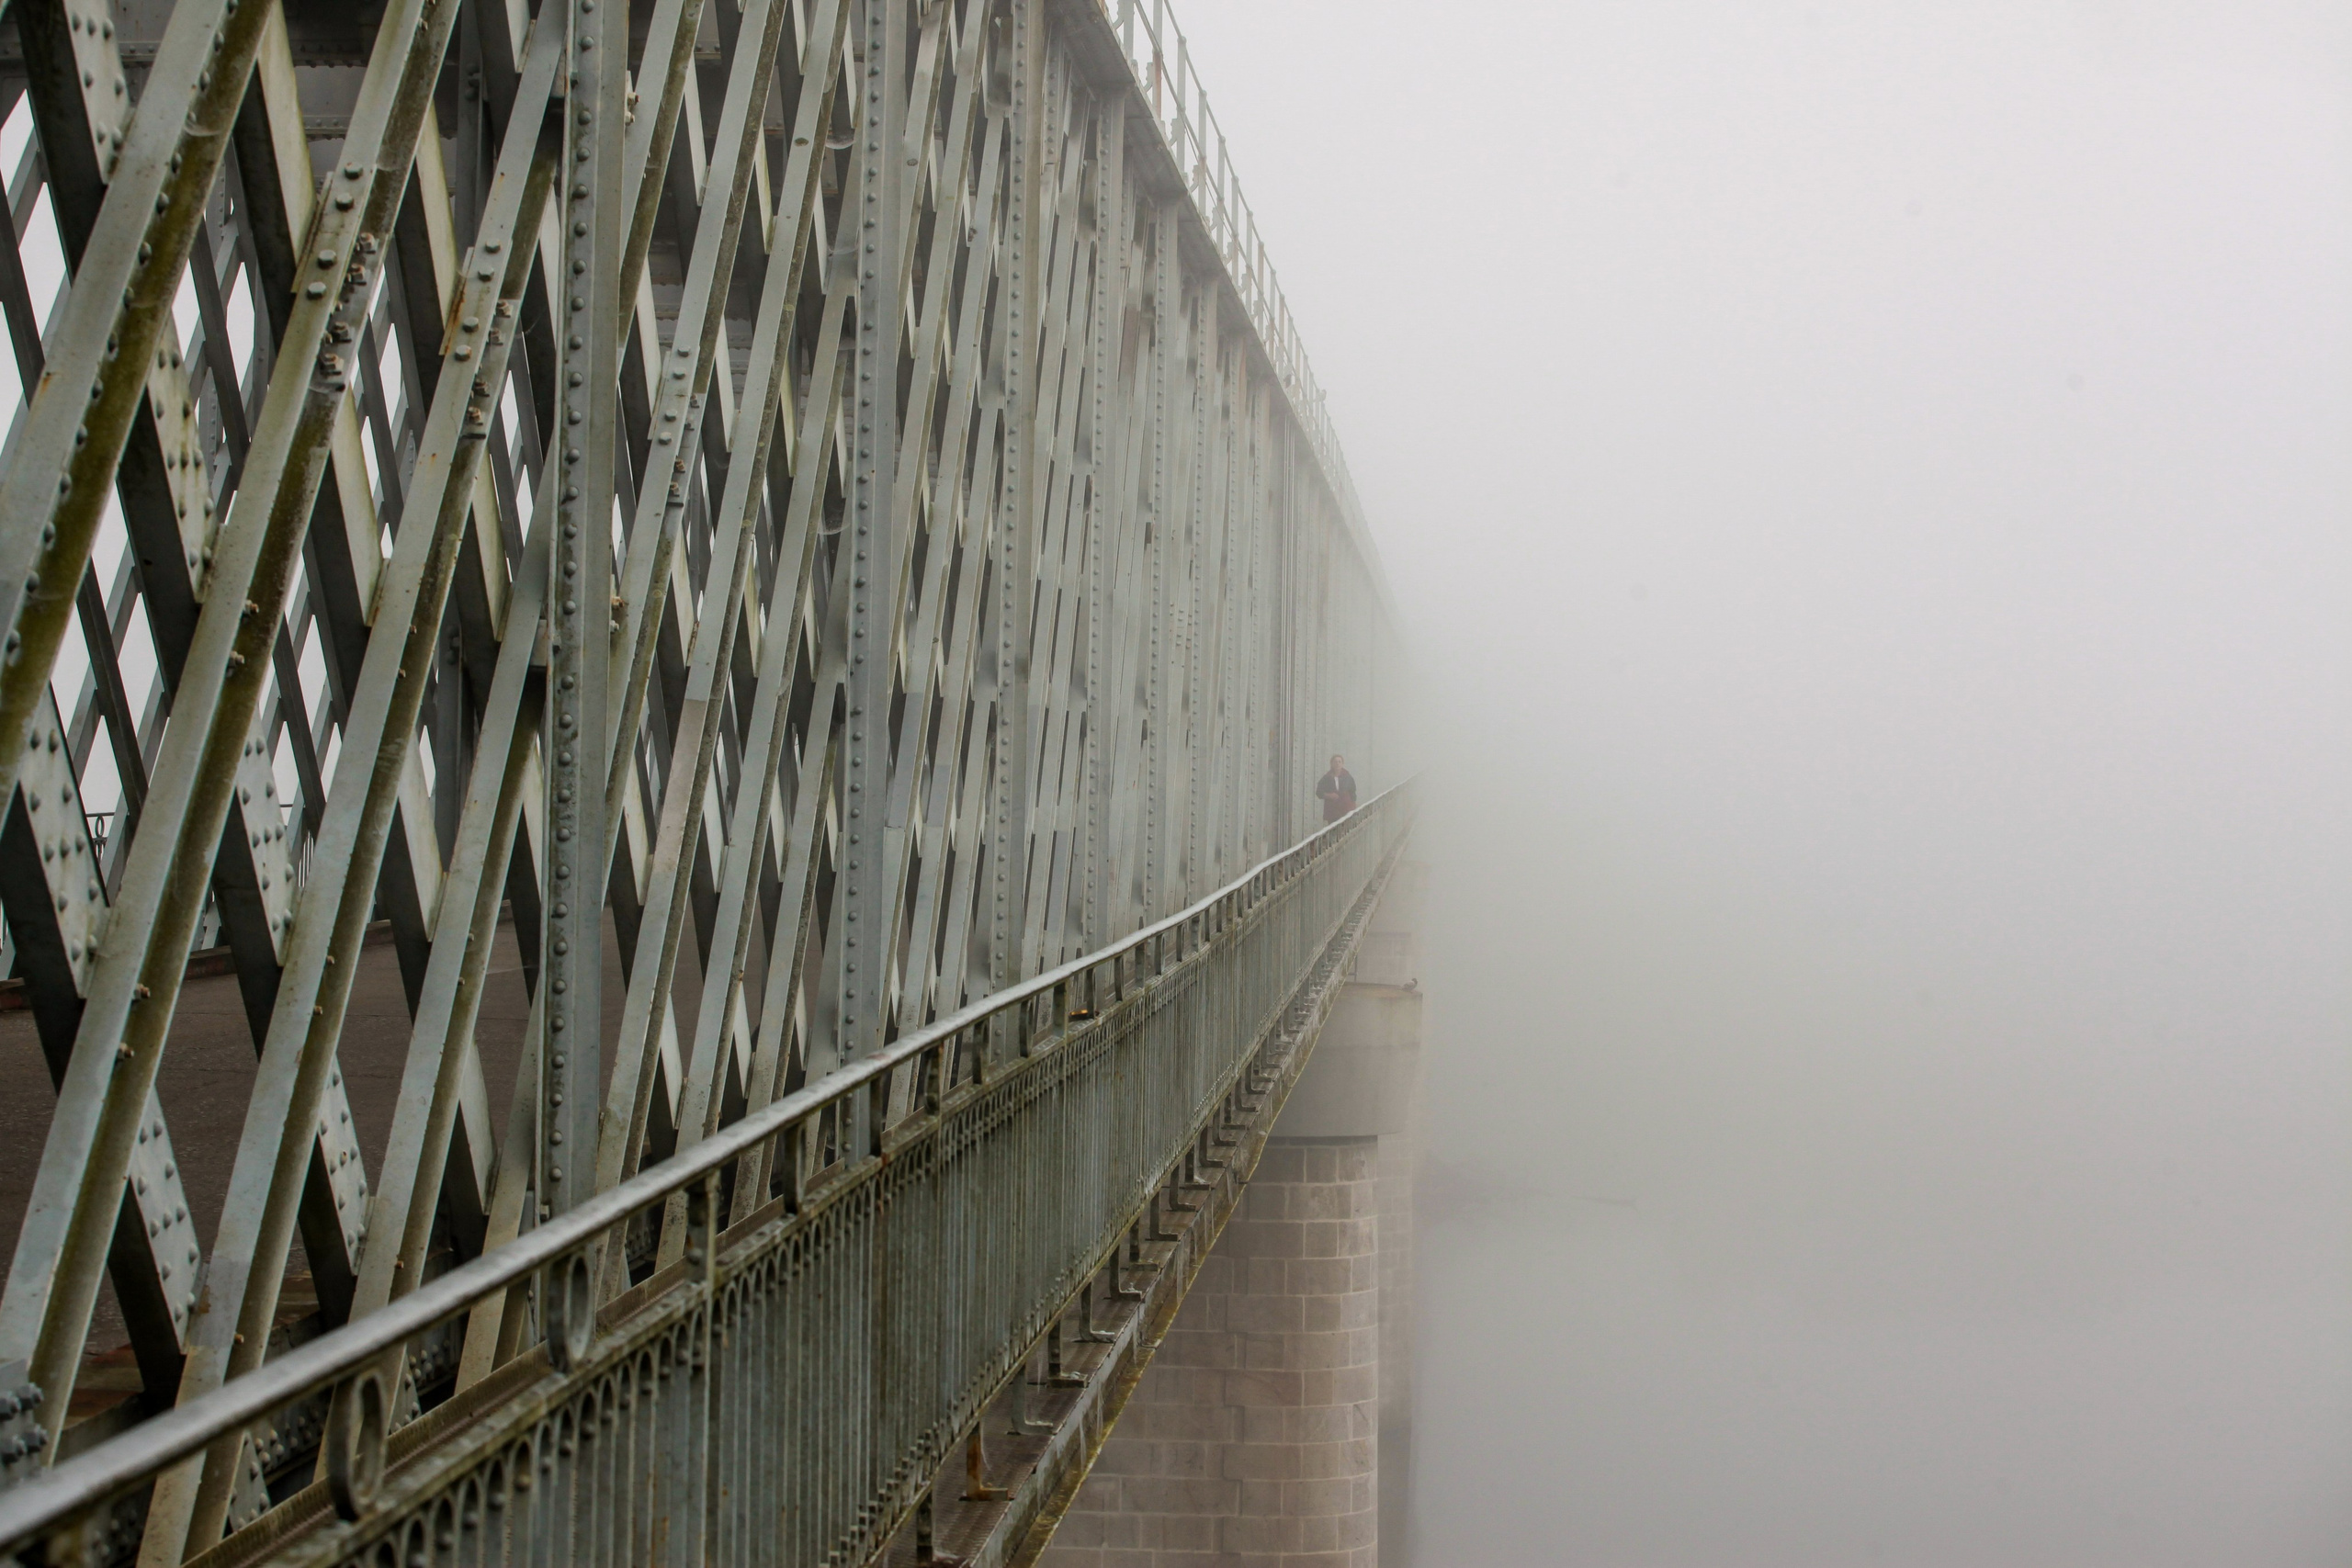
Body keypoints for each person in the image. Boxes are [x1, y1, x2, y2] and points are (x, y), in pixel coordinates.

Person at [1314, 754, 1356, 823]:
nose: (1337, 763)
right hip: (1332, 811)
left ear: (1342, 764)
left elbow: (1353, 793)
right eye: (1335, 762)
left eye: (1339, 762)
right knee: (1334, 829)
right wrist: (1328, 795)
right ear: (1331, 764)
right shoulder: (1326, 778)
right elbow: (1319, 792)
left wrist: (1353, 809)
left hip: (1346, 810)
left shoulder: (1348, 777)